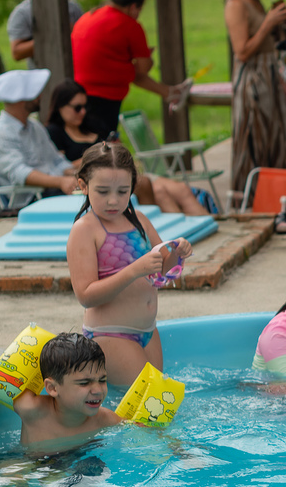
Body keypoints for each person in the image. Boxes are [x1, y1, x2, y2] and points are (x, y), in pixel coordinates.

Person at [66, 143, 193, 386]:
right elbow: (86, 295)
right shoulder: (85, 230)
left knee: (154, 410)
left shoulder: (139, 221)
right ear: (83, 186)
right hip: (111, 334)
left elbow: (162, 273)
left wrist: (178, 252)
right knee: (151, 409)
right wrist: (135, 270)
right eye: (102, 192)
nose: (113, 200)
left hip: (147, 332)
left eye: (123, 192)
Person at [45, 79, 210, 215]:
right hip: (105, 178)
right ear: (60, 107)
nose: (82, 112)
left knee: (182, 189)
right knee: (157, 191)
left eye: (85, 107)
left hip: (122, 170)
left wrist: (116, 150)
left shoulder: (92, 123)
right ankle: (172, 239)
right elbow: (60, 166)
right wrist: (100, 157)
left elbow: (118, 147)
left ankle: (210, 226)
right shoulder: (54, 133)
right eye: (77, 108)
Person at [225, 0, 286, 192]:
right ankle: (248, 200)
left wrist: (283, 85)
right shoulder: (236, 3)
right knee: (253, 143)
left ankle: (276, 198)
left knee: (282, 140)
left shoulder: (255, 0)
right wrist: (268, 23)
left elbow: (267, 48)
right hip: (252, 81)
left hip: (270, 77)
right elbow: (242, 52)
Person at [70, 0, 176, 137]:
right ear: (133, 7)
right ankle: (171, 93)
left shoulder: (87, 17)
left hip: (77, 91)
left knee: (91, 144)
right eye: (140, 10)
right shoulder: (129, 25)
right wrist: (148, 57)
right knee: (104, 145)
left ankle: (170, 93)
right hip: (106, 96)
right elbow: (143, 69)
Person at [0, 69, 77, 199]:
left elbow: (56, 160)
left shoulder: (34, 126)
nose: (40, 96)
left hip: (51, 191)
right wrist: (61, 182)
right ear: (21, 100)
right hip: (32, 198)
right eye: (35, 94)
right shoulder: (0, 134)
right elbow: (20, 174)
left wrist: (77, 174)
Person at [7, 0, 85, 69]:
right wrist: (54, 36)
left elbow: (84, 41)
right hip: (41, 75)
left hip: (74, 72)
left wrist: (75, 33)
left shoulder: (72, 6)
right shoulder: (22, 13)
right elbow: (17, 53)